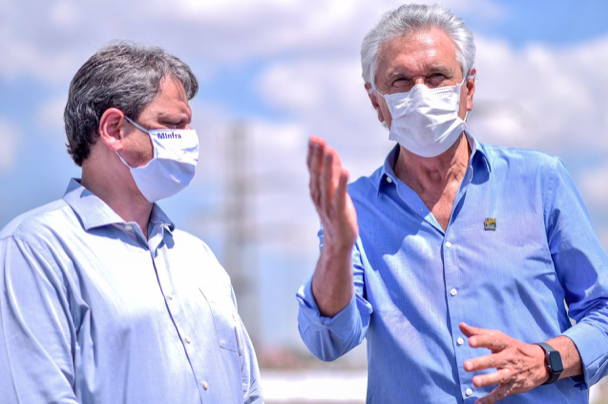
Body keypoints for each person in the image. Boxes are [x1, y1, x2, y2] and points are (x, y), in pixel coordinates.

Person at [297, 4, 608, 404]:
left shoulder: (540, 181)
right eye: (400, 81)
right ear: (377, 103)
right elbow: (328, 340)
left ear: (469, 89)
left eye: (437, 76)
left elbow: (603, 310)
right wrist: (337, 250)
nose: (421, 93)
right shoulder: (353, 210)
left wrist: (545, 360)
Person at [0, 42, 263, 404]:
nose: (189, 140)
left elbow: (248, 390)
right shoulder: (36, 250)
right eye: (172, 125)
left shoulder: (200, 258)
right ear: (114, 129)